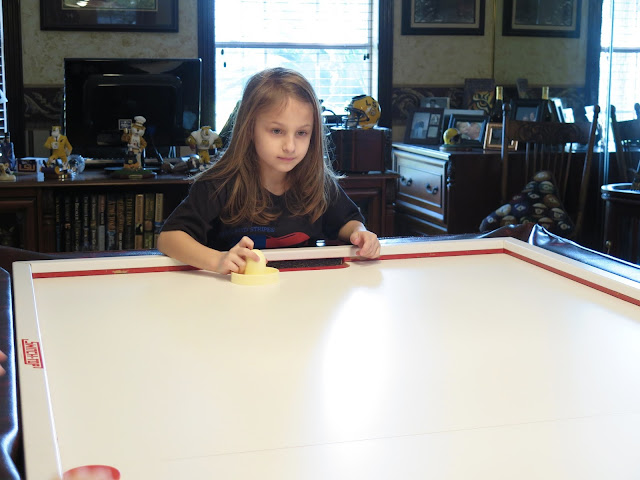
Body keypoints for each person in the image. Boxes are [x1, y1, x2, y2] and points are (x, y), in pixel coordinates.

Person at [157, 67, 380, 274]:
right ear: (249, 129)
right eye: (276, 131)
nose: (290, 146)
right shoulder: (218, 184)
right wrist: (217, 260)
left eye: (301, 133)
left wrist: (360, 233)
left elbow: (347, 222)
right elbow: (169, 238)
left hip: (302, 293)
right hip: (233, 294)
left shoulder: (318, 183)